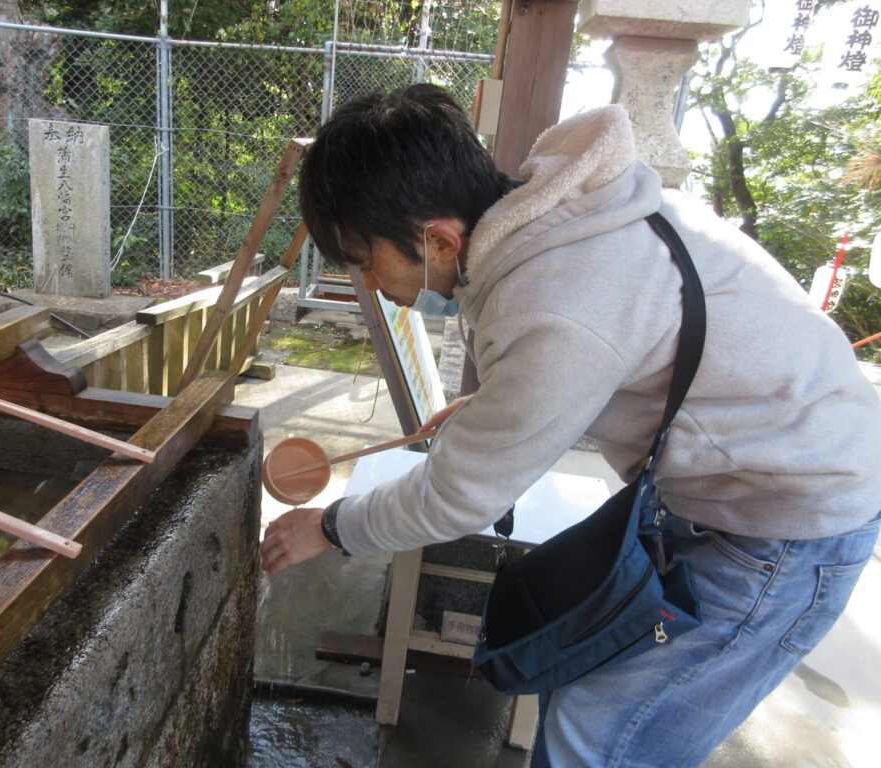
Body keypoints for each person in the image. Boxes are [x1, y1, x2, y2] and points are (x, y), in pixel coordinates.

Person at [258, 84, 881, 766]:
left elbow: (458, 497)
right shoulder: (563, 219)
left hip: (787, 525)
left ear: (438, 239)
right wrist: (495, 404)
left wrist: (331, 527)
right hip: (743, 488)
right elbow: (610, 348)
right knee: (580, 670)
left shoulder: (552, 300)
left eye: (364, 260)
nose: (369, 285)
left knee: (599, 738)